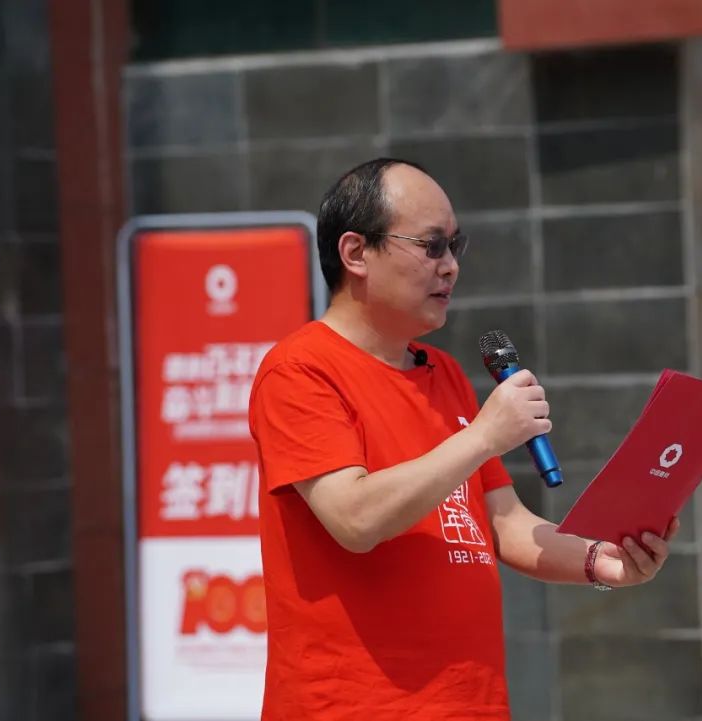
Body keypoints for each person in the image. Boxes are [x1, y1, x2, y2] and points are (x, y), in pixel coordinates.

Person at [248, 158, 679, 721]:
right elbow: (354, 518)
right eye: (431, 246)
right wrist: (482, 438)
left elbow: (503, 524)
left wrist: (604, 561)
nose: (450, 266)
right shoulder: (300, 371)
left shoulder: (444, 373)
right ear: (355, 253)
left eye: (455, 246)